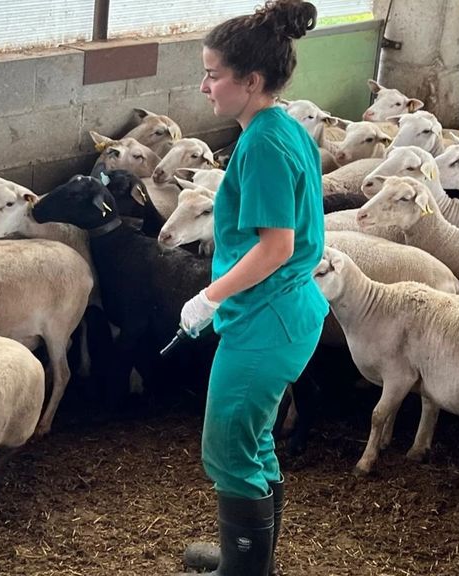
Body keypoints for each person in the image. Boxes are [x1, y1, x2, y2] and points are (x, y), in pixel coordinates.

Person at [174, 1, 327, 575]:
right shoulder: (281, 125)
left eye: (213, 74)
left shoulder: (262, 144)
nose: (204, 85)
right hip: (283, 312)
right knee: (253, 440)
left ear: (251, 80)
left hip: (268, 318)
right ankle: (252, 562)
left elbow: (277, 245)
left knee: (228, 447)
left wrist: (207, 296)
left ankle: (242, 571)